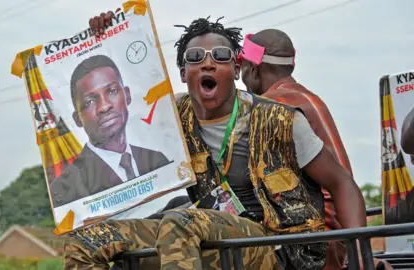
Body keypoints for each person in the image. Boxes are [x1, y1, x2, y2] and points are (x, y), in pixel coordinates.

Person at [63, 13, 367, 270]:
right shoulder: (169, 117)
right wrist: (106, 38)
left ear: (236, 69)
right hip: (208, 232)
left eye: (220, 56)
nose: (208, 63)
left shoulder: (281, 120)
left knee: (180, 222)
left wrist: (359, 260)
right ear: (183, 73)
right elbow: (124, 90)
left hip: (278, 246)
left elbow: (342, 184)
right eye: (195, 57)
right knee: (86, 242)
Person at [239, 29, 392, 270]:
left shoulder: (273, 109)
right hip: (337, 233)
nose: (242, 80)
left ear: (254, 68)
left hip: (314, 240)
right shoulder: (307, 97)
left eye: (243, 70)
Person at [49, 54, 170, 208]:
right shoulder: (66, 188)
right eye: (90, 101)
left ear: (127, 95)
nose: (104, 107)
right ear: (77, 119)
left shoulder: (157, 160)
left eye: (112, 91)